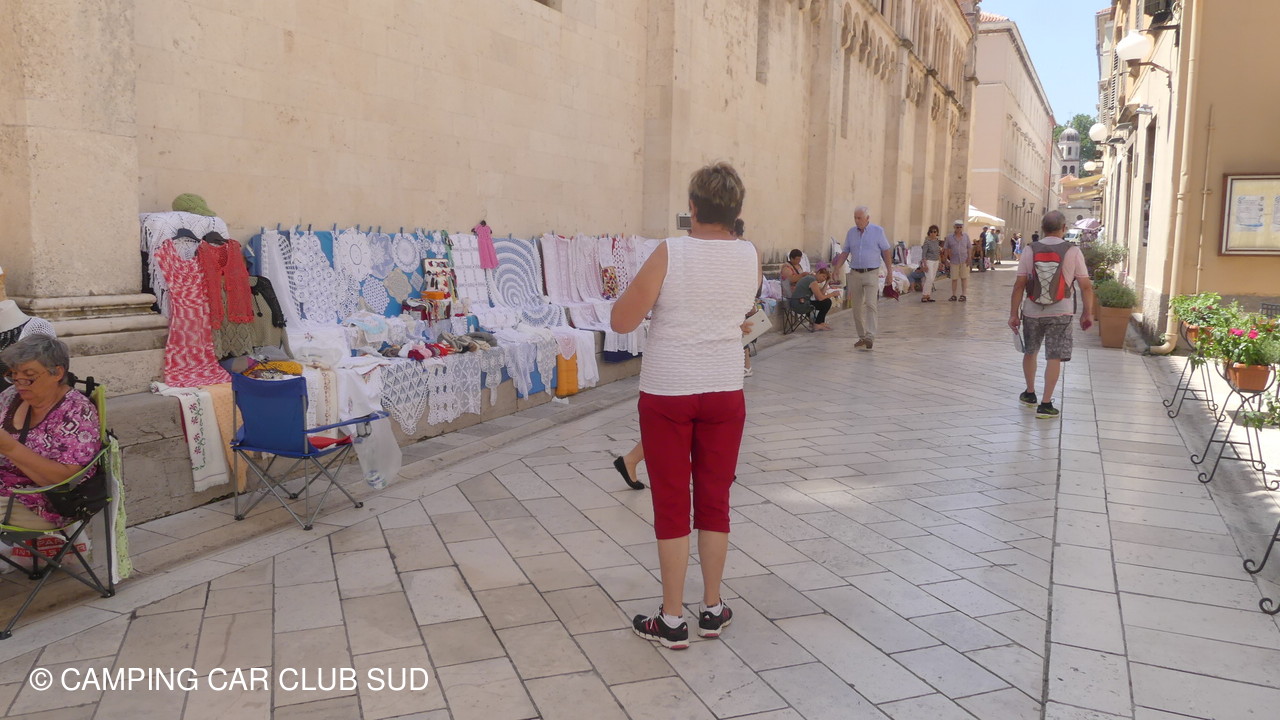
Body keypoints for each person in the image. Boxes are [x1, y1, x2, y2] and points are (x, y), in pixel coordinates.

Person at [611, 162, 759, 649]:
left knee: (672, 500)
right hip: (724, 388)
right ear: (735, 210)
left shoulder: (670, 253)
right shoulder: (750, 254)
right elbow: (740, 313)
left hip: (669, 390)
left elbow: (622, 320)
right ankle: (712, 608)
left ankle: (672, 617)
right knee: (715, 499)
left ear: (692, 207)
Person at [0, 335, 100, 530]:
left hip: (43, 503)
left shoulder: (76, 411)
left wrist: (10, 448)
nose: (19, 383)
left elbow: (65, 481)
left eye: (29, 376)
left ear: (57, 373)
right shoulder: (11, 396)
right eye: (13, 375)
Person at [1009, 211, 1094, 419]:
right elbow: (1085, 286)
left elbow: (1019, 284)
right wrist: (1087, 313)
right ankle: (1046, 404)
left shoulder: (1030, 250)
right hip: (1061, 310)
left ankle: (1030, 393)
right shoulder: (1073, 251)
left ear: (1042, 228)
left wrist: (1013, 314)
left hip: (1032, 310)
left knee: (1031, 352)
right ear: (1064, 228)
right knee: (1054, 356)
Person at [832, 206, 893, 350]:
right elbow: (845, 252)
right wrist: (837, 268)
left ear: (867, 218)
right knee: (856, 307)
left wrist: (890, 272)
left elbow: (886, 252)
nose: (856, 220)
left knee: (871, 304)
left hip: (871, 273)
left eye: (859, 218)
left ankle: (870, 336)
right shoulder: (851, 233)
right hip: (855, 274)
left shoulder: (878, 231)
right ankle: (862, 337)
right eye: (855, 217)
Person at [943, 220, 971, 302]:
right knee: (954, 278)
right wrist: (946, 259)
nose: (959, 229)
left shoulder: (966, 236)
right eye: (957, 227)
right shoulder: (949, 237)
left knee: (964, 278)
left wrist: (969, 257)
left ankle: (963, 294)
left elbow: (969, 247)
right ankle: (954, 295)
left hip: (964, 260)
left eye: (960, 227)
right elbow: (946, 248)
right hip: (954, 260)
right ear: (954, 227)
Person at [920, 225, 942, 302]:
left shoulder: (937, 241)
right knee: (929, 278)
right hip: (929, 261)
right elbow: (923, 254)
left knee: (932, 279)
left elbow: (938, 253)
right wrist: (925, 265)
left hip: (936, 261)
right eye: (931, 232)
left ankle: (928, 295)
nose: (933, 233)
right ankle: (924, 295)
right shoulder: (927, 242)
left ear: (937, 233)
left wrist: (940, 262)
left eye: (935, 232)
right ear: (929, 232)